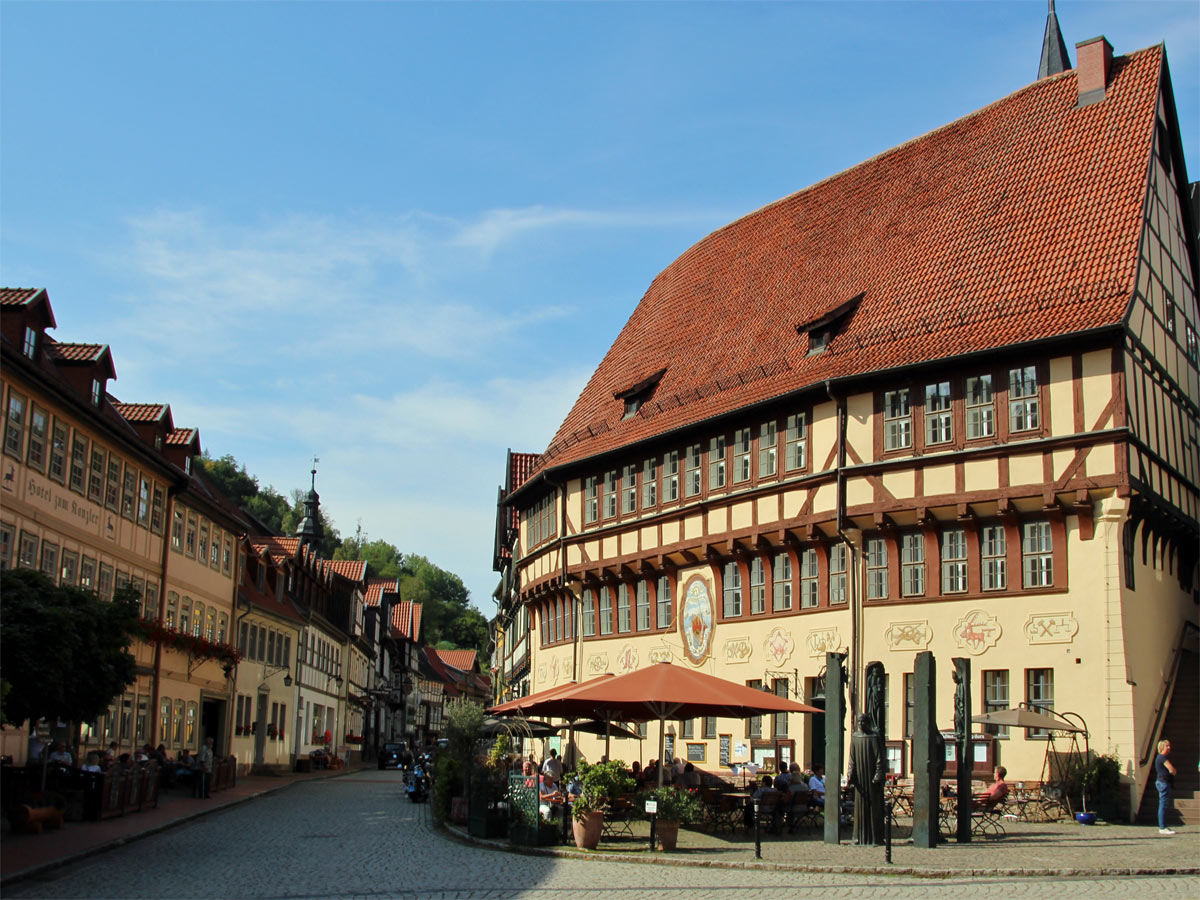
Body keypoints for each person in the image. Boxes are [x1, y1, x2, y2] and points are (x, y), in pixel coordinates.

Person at [1155, 739, 1177, 835]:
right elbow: (1171, 769)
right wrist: (1174, 771)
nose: (1169, 747)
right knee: (1163, 805)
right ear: (1162, 747)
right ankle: (1162, 827)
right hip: (1164, 782)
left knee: (1163, 804)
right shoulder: (1162, 758)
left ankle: (1163, 826)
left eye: (1169, 745)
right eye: (1167, 746)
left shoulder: (1159, 757)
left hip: (1161, 782)